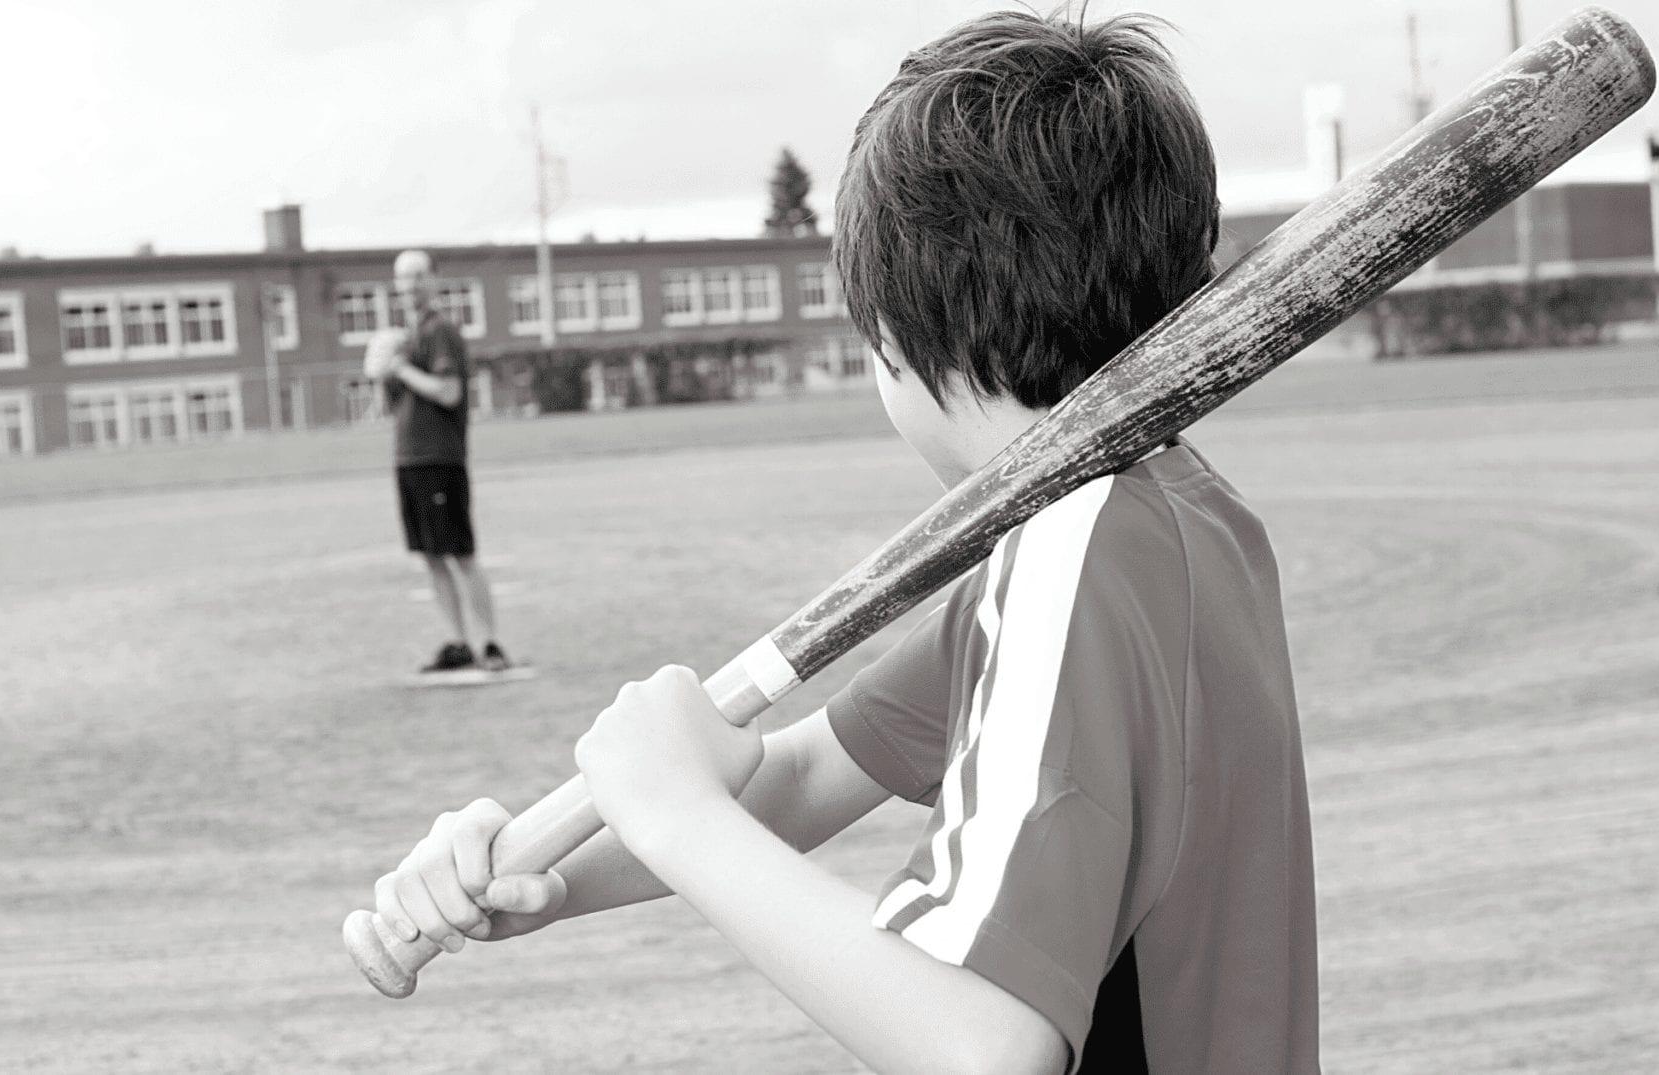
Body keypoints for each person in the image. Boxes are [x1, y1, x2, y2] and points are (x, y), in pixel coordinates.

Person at [366, 12, 1318, 1072]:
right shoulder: (1170, 515)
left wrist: (681, 817)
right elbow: (803, 772)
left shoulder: (1074, 555)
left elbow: (981, 1046)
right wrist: (540, 875)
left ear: (901, 333)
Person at [377, 249, 511, 674]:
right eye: (403, 278)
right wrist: (384, 372)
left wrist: (400, 368)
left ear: (434, 280)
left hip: (440, 457)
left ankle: (490, 643)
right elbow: (396, 404)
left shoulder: (440, 331)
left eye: (418, 276)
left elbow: (449, 392)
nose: (410, 285)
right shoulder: (407, 336)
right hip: (409, 457)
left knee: (460, 554)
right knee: (432, 556)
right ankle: (459, 642)